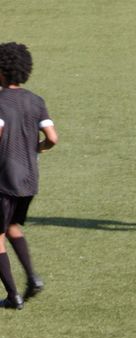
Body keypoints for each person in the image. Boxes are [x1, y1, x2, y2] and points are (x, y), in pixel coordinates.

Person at [0, 42, 57, 310]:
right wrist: (37, 149)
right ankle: (32, 278)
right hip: (29, 180)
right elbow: (53, 138)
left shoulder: (0, 103)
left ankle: (14, 296)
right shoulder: (36, 101)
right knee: (11, 227)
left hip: (3, 180)